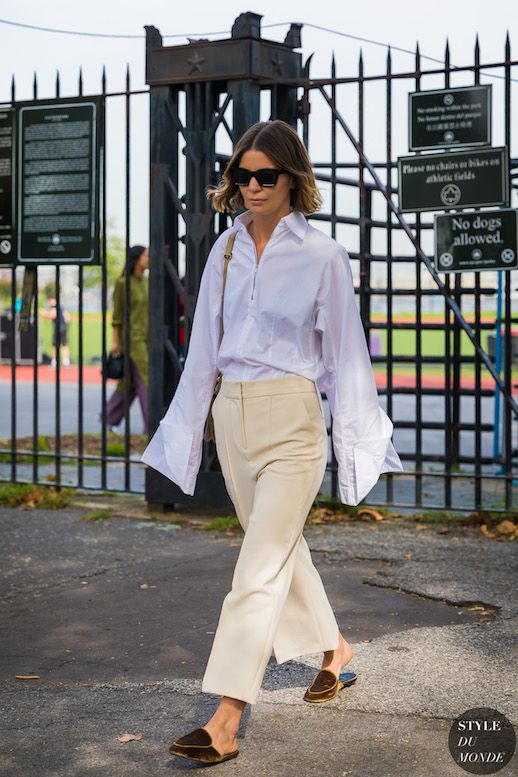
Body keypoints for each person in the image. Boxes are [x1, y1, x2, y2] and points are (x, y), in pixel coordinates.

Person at [141, 119, 404, 765]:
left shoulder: (322, 256)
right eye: (241, 176)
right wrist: (183, 432)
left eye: (266, 176)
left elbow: (345, 357)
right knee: (280, 550)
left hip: (292, 420)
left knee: (257, 569)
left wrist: (356, 440)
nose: (252, 187)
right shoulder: (224, 250)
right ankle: (335, 650)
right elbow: (203, 349)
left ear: (293, 179)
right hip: (233, 416)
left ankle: (226, 715)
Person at [104, 245, 149, 434]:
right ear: (137, 258)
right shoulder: (123, 283)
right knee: (147, 381)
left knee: (128, 383)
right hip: (131, 341)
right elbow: (117, 316)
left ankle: (108, 418)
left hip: (147, 339)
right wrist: (115, 342)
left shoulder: (146, 282)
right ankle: (152, 426)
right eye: (146, 255)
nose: (149, 258)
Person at [40, 297, 71, 367]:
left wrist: (44, 313)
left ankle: (54, 361)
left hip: (58, 328)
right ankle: (66, 361)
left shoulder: (54, 307)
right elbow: (68, 318)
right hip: (64, 327)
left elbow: (53, 315)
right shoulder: (62, 307)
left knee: (55, 345)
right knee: (64, 344)